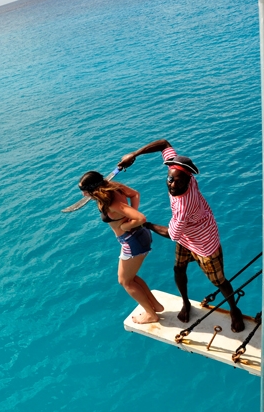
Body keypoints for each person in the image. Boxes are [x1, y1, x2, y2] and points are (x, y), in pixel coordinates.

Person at [118, 139, 245, 332]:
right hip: (187, 235)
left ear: (188, 181)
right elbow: (164, 144)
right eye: (170, 178)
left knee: (219, 281)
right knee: (179, 270)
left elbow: (172, 234)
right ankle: (186, 303)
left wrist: (146, 224)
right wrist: (134, 155)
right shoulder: (180, 169)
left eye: (178, 181)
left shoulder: (184, 207)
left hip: (204, 242)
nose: (172, 184)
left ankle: (235, 310)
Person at [79, 171, 162, 324]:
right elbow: (135, 194)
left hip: (131, 240)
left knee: (125, 282)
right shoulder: (113, 187)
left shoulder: (111, 202)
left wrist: (127, 224)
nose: (83, 194)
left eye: (84, 190)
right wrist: (130, 216)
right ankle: (155, 306)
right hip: (137, 237)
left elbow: (141, 218)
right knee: (131, 278)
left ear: (93, 189)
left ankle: (151, 315)